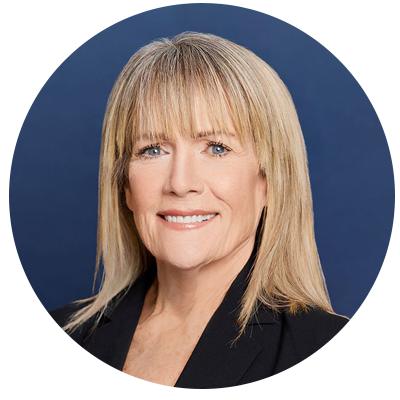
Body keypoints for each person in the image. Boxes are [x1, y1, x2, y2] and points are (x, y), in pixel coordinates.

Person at [12, 32, 388, 391]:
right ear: (125, 186)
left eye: (216, 148)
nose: (180, 183)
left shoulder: (334, 356)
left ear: (268, 180)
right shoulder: (52, 345)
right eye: (153, 149)